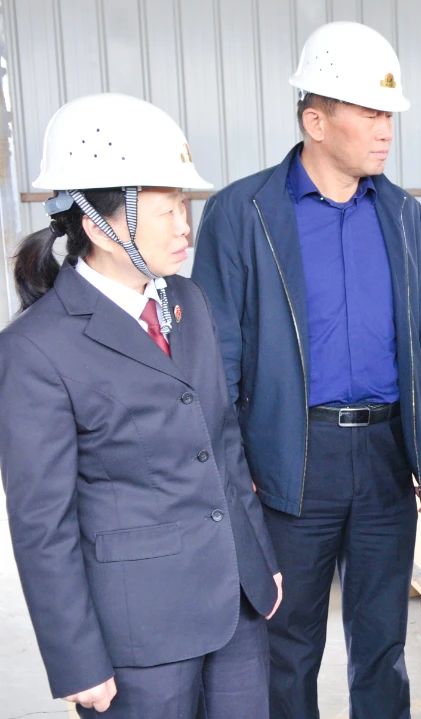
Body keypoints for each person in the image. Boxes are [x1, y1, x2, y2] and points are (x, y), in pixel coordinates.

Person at [190, 21, 421, 719]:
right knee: (287, 644)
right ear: (315, 120)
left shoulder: (403, 216)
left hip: (387, 456)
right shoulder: (243, 214)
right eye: (370, 113)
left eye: (389, 115)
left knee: (383, 644)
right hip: (289, 458)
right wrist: (236, 464)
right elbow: (216, 358)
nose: (386, 130)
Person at [0, 93, 281, 718]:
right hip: (138, 636)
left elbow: (224, 443)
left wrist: (259, 559)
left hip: (235, 606)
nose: (184, 227)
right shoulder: (35, 349)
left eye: (184, 205)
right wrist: (77, 658)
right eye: (165, 210)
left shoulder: (189, 302)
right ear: (100, 224)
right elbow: (42, 524)